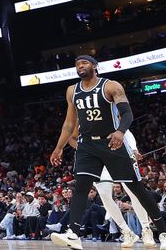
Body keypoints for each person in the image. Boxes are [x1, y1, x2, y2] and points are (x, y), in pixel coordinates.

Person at [49, 55, 166, 249]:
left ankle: (162, 231)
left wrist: (120, 132)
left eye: (84, 63)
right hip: (87, 145)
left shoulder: (111, 86)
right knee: (81, 187)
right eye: (77, 64)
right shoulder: (72, 91)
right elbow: (69, 124)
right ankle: (73, 234)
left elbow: (127, 113)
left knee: (137, 189)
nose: (80, 66)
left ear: (94, 66)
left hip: (112, 143)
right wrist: (58, 147)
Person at [68, 127, 156, 247]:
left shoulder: (109, 110)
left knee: (133, 192)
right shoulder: (80, 116)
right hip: (98, 157)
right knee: (105, 196)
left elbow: (125, 130)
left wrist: (133, 149)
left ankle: (146, 229)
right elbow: (72, 138)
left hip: (119, 153)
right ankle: (126, 231)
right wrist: (86, 149)